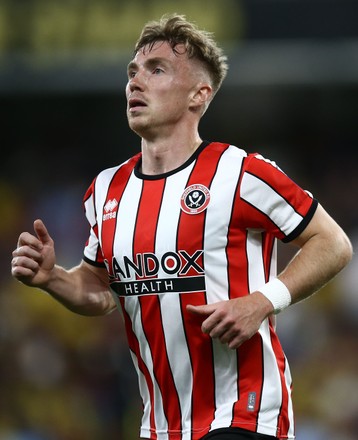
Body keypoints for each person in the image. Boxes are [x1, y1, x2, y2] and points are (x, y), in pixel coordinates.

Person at [11, 14, 352, 440]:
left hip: (245, 412)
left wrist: (262, 301)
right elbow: (101, 292)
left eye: (156, 70)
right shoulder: (106, 190)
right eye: (132, 72)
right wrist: (53, 279)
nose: (135, 82)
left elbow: (333, 243)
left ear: (199, 94)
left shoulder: (240, 172)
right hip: (160, 424)